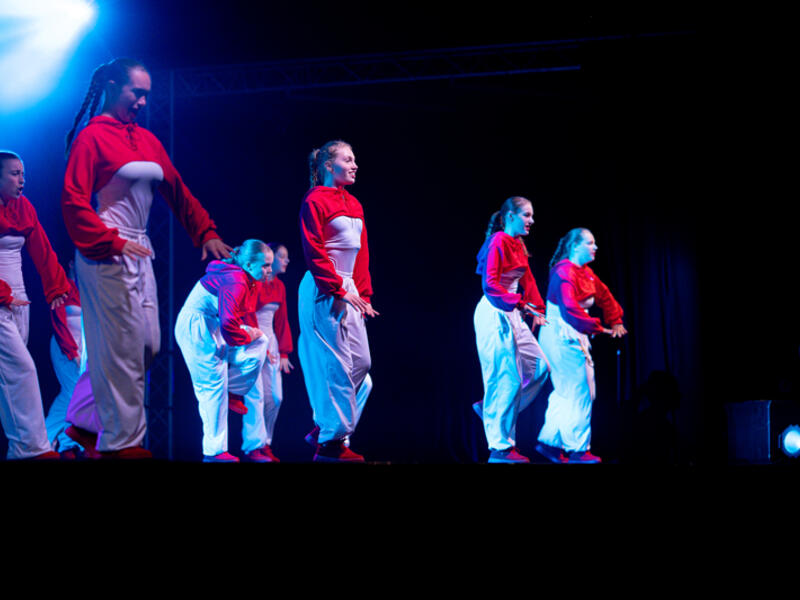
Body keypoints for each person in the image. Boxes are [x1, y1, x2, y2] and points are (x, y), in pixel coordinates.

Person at [61, 58, 231, 459]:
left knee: (147, 345)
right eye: (135, 93)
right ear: (112, 87)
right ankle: (122, 443)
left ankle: (85, 421)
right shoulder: (91, 138)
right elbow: (72, 201)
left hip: (139, 248)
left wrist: (205, 231)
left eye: (146, 95)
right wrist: (109, 240)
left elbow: (177, 189)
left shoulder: (148, 140)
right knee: (122, 346)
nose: (142, 102)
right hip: (105, 250)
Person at [298, 140, 377, 463]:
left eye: (354, 159)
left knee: (362, 364)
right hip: (323, 288)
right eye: (348, 159)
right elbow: (313, 248)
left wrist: (363, 294)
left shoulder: (354, 203)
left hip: (350, 288)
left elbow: (362, 253)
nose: (355, 164)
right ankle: (331, 443)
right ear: (329, 166)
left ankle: (324, 425)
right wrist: (335, 288)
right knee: (337, 366)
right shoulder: (315, 200)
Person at [536, 228, 627, 464]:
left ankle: (549, 443)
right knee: (580, 390)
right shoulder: (564, 272)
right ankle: (578, 449)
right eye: (589, 243)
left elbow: (604, 295)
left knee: (569, 391)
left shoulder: (585, 273)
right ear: (575, 246)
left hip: (573, 332)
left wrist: (615, 319)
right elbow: (569, 309)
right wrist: (598, 327)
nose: (595, 247)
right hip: (562, 333)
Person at [175, 240, 271, 463]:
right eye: (265, 265)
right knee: (211, 387)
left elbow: (232, 321)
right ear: (249, 264)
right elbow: (229, 326)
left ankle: (233, 391)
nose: (269, 270)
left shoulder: (246, 278)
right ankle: (214, 452)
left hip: (213, 324)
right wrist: (247, 336)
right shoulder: (236, 280)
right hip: (197, 327)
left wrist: (250, 336)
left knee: (261, 340)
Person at [0, 150, 68, 460]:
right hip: (2, 297)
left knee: (9, 377)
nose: (22, 180)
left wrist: (56, 285)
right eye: (15, 173)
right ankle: (34, 448)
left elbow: (41, 246)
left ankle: (19, 449)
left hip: (19, 298)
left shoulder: (23, 206)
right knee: (22, 369)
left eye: (23, 174)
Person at [473, 196, 551, 463]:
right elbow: (490, 284)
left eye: (532, 215)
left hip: (514, 311)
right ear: (510, 216)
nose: (531, 220)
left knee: (540, 368)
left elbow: (527, 278)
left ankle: (491, 408)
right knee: (506, 378)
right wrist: (520, 303)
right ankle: (500, 448)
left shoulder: (518, 244)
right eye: (526, 215)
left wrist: (538, 308)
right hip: (495, 310)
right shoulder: (498, 241)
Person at [239, 242, 294, 462]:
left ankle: (266, 441)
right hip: (253, 339)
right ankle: (254, 445)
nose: (286, 260)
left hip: (271, 342)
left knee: (276, 397)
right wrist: (260, 344)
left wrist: (284, 352)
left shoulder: (280, 287)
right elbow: (248, 312)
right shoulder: (255, 283)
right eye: (282, 256)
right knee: (256, 396)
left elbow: (281, 320)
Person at [44, 259, 88, 458]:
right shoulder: (63, 286)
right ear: (72, 264)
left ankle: (54, 440)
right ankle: (63, 440)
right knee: (74, 393)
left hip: (81, 347)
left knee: (70, 394)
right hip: (65, 344)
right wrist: (71, 350)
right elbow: (59, 320)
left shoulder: (86, 290)